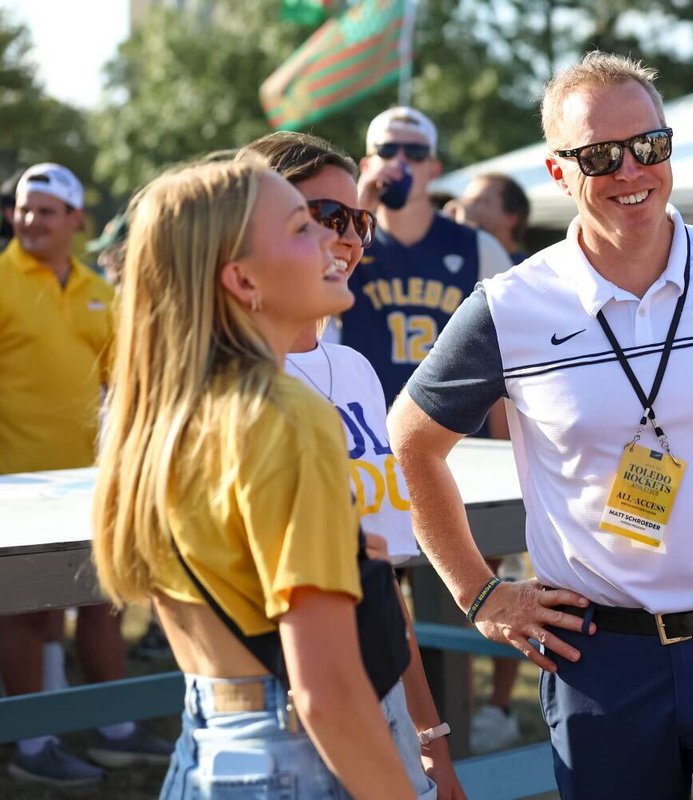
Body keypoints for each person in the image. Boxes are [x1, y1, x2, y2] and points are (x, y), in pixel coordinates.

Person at [388, 51, 693, 800]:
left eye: (649, 146)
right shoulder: (510, 306)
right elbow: (412, 442)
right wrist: (480, 593)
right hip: (600, 660)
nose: (631, 171)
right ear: (558, 174)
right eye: (600, 156)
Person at [91, 157, 417, 800]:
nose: (336, 242)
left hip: (205, 750)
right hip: (291, 757)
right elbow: (327, 693)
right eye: (304, 227)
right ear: (241, 279)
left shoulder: (168, 412)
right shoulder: (286, 417)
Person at [240, 130, 463, 799]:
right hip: (286, 720)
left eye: (358, 221)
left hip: (379, 702)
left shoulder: (356, 371)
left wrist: (429, 738)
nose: (347, 239)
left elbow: (383, 589)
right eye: (323, 218)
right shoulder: (237, 390)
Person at [0, 163, 171, 786]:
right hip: (11, 488)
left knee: (102, 601)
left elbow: (123, 381)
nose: (29, 220)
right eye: (23, 208)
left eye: (46, 210)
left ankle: (113, 730)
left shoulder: (98, 289)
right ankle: (32, 742)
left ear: (76, 221)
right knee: (25, 615)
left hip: (87, 486)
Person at [331, 106, 511, 422]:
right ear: (366, 164)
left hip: (455, 439)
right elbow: (310, 317)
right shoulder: (343, 245)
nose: (400, 162)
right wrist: (358, 210)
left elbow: (508, 359)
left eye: (415, 152)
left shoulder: (479, 248)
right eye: (386, 150)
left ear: (433, 168)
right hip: (364, 431)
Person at [450, 170, 533, 752]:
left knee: (507, 581)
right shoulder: (453, 257)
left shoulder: (524, 277)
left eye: (481, 203)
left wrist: (509, 456)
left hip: (501, 459)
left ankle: (497, 706)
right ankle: (450, 702)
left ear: (511, 218)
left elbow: (509, 385)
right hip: (453, 453)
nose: (464, 208)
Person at [456, 173, 531, 265]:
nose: (465, 208)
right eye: (465, 201)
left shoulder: (528, 272)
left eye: (479, 201)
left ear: (511, 217)